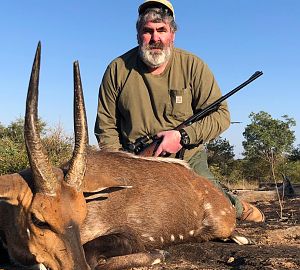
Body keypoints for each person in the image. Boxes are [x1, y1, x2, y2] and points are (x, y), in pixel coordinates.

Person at [94, 0, 265, 223]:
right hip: (135, 163)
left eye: (161, 30)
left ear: (172, 34)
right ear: (138, 35)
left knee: (217, 210)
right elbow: (106, 125)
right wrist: (119, 166)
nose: (155, 38)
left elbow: (221, 116)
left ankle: (238, 207)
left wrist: (183, 136)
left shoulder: (193, 66)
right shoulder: (117, 69)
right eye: (148, 31)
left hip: (186, 159)